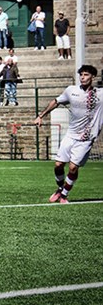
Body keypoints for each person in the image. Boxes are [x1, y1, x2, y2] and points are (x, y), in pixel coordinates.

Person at [34, 66, 102, 204]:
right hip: (71, 134)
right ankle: (60, 189)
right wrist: (41, 116)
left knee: (73, 167)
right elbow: (56, 101)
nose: (82, 77)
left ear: (93, 77)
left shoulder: (101, 94)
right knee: (58, 165)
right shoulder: (71, 91)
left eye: (86, 75)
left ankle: (64, 195)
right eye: (81, 75)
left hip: (86, 138)